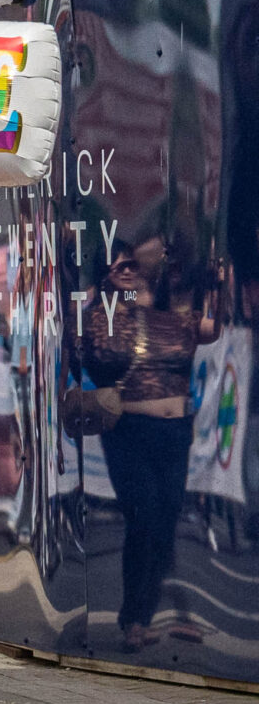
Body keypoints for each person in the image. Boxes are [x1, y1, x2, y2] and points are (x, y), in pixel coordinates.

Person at [87, 234, 219, 651]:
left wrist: (219, 284)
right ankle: (134, 620)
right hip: (130, 432)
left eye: (133, 265)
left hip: (175, 432)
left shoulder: (173, 317)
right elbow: (103, 355)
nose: (128, 272)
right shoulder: (103, 317)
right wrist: (112, 296)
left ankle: (154, 612)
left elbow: (212, 328)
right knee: (142, 518)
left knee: (165, 523)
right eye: (118, 267)